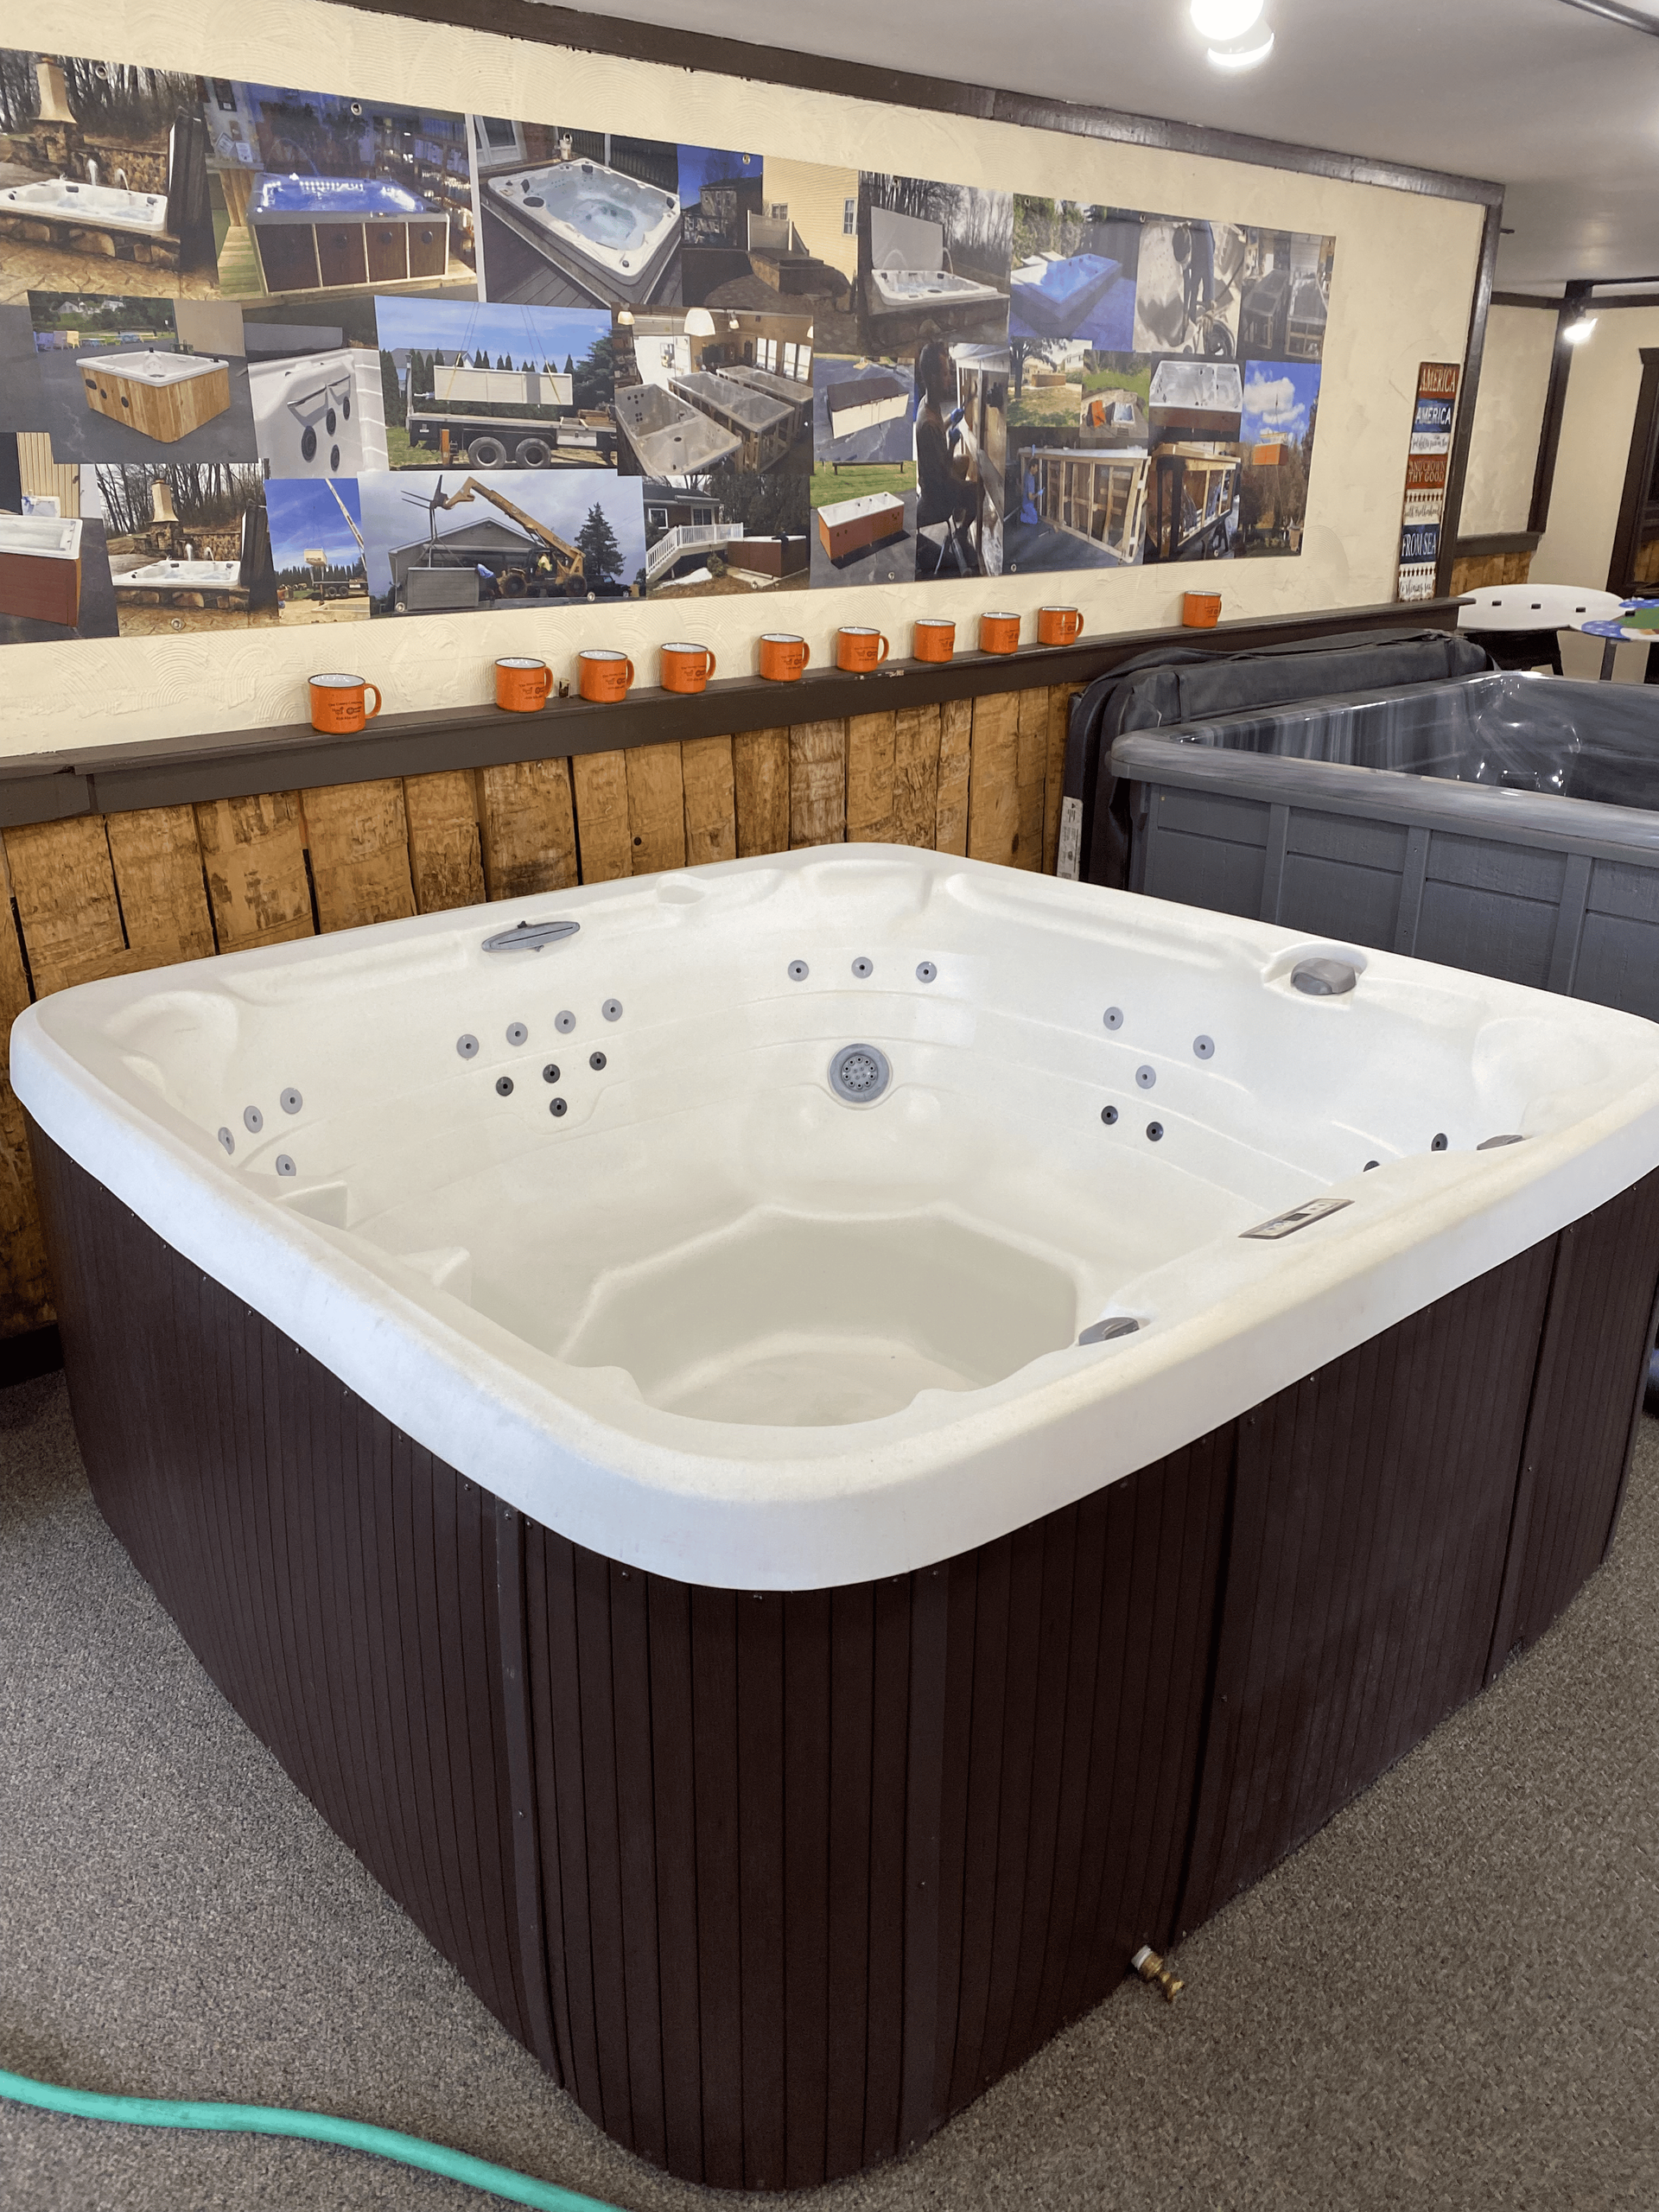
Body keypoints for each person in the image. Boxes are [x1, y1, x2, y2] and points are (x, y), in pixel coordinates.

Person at [913, 340, 979, 577]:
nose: (949, 379)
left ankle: (959, 520)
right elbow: (942, 475)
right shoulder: (928, 423)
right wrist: (951, 443)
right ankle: (960, 533)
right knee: (977, 492)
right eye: (945, 374)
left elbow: (939, 433)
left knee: (963, 462)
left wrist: (952, 418)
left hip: (932, 480)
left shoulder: (927, 404)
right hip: (936, 496)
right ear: (931, 378)